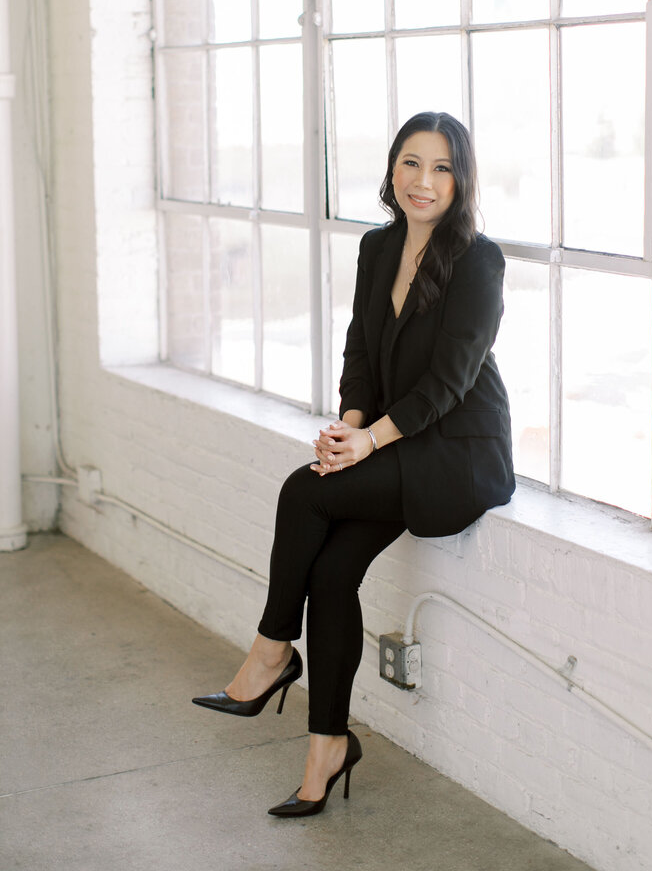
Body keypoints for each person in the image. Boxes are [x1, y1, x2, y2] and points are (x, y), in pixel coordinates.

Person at [192, 111, 514, 817]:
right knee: (333, 571)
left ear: (461, 180)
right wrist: (351, 428)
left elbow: (450, 383)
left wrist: (371, 444)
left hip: (456, 452)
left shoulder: (478, 259)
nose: (422, 181)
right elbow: (362, 355)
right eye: (410, 163)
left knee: (300, 494)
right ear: (392, 170)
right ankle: (327, 750)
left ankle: (271, 654)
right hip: (396, 440)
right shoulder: (378, 249)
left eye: (441, 167)